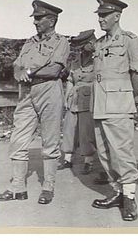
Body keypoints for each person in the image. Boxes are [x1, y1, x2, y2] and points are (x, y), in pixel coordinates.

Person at [0, 0, 70, 204]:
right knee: (18, 139)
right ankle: (17, 187)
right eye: (35, 18)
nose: (35, 22)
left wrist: (28, 71)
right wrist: (20, 71)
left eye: (39, 18)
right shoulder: (29, 42)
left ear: (52, 20)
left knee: (50, 141)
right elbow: (17, 66)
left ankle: (48, 187)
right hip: (27, 93)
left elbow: (55, 70)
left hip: (49, 91)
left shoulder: (61, 42)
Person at [91, 0, 138, 221]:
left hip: (119, 105)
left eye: (104, 15)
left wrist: (127, 99)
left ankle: (130, 199)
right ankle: (118, 193)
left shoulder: (130, 40)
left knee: (122, 152)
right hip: (99, 105)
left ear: (117, 16)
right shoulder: (99, 43)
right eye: (99, 15)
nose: (100, 19)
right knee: (104, 153)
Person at [58, 30, 97, 175]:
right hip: (73, 99)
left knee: (86, 131)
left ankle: (89, 161)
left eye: (82, 46)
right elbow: (70, 80)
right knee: (69, 129)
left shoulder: (97, 60)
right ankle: (68, 159)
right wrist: (66, 98)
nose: (80, 50)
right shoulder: (75, 61)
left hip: (88, 99)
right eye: (78, 47)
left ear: (90, 44)